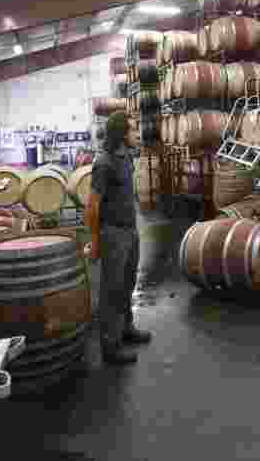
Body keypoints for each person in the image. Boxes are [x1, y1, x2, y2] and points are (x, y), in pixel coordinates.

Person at [88, 111, 151, 365]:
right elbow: (92, 207)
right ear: (122, 134)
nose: (137, 134)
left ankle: (126, 328)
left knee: (127, 283)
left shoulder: (126, 158)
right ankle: (110, 346)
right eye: (133, 130)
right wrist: (95, 242)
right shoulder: (104, 162)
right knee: (112, 290)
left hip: (129, 230)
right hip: (112, 233)